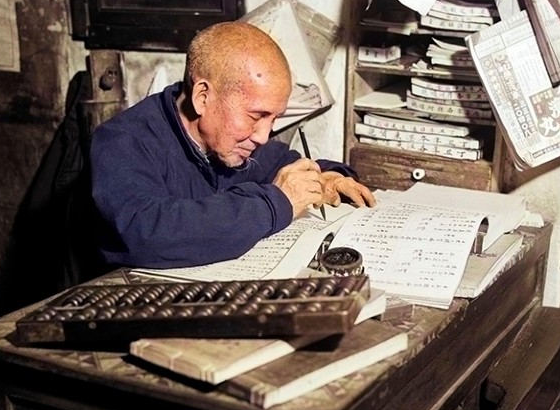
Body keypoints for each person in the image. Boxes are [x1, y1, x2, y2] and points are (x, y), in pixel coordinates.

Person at [90, 21, 375, 270]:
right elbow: (147, 233)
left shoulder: (235, 143)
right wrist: (278, 203)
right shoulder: (122, 142)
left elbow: (285, 163)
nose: (263, 136)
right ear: (203, 97)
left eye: (274, 118)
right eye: (256, 115)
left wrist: (330, 177)